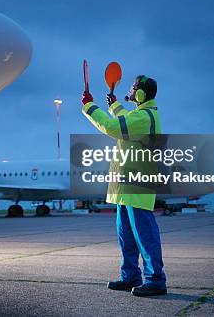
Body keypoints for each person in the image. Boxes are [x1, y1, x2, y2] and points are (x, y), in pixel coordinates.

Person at [81, 75, 167, 297]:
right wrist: (114, 105)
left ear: (140, 94)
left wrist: (90, 106)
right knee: (126, 236)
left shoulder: (146, 117)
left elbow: (112, 127)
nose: (131, 89)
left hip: (136, 187)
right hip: (125, 188)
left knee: (145, 235)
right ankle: (130, 276)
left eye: (134, 87)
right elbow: (125, 118)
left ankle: (155, 280)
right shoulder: (141, 115)